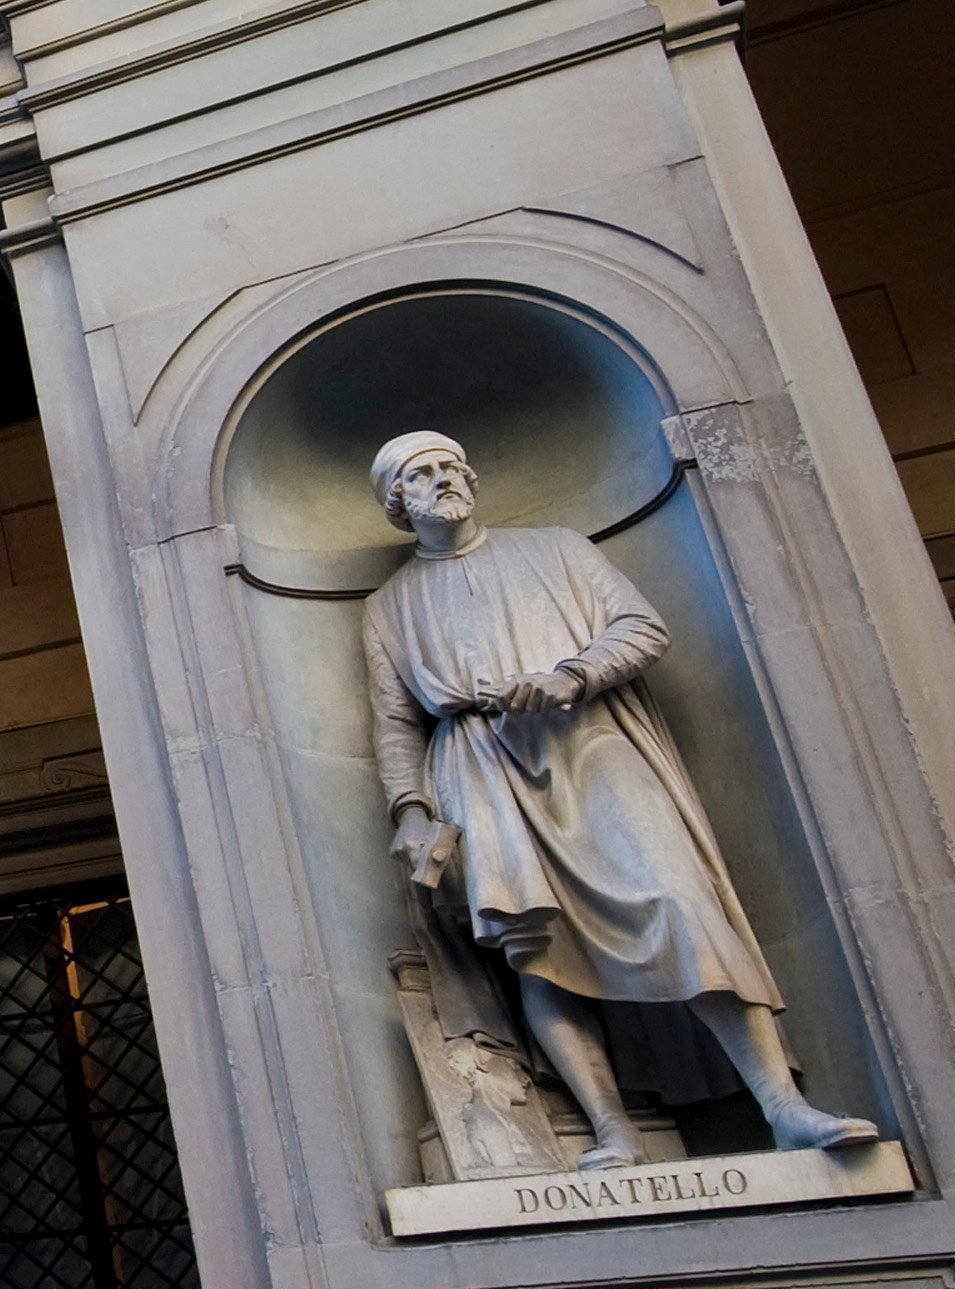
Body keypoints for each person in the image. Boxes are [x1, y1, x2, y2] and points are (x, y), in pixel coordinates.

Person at [362, 427, 878, 1168]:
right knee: (534, 950)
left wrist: (570, 674)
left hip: (588, 740)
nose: (445, 479)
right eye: (422, 474)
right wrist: (410, 812)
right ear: (398, 502)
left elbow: (642, 626)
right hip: (476, 768)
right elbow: (392, 720)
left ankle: (782, 1108)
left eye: (452, 467)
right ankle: (613, 1133)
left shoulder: (558, 549)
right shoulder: (387, 605)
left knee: (680, 901)